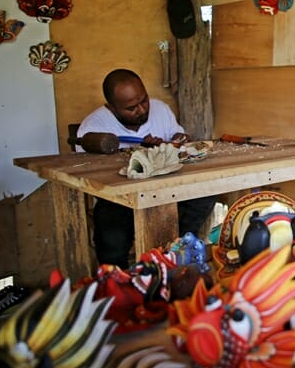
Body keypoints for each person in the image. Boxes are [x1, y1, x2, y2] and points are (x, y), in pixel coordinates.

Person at [77, 68, 217, 268]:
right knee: (109, 224)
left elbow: (179, 138)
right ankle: (116, 275)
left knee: (205, 193)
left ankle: (172, 250)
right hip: (120, 199)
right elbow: (89, 171)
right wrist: (140, 152)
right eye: (132, 108)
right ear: (111, 107)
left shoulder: (161, 110)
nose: (142, 110)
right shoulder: (93, 127)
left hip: (168, 191)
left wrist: (178, 141)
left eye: (144, 100)